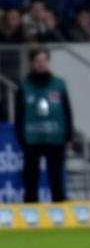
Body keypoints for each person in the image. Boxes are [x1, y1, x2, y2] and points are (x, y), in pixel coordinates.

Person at [14, 48, 73, 202]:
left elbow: (67, 110)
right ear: (32, 63)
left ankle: (59, 207)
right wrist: (20, 137)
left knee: (56, 176)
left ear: (48, 61)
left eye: (44, 60)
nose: (41, 64)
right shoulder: (24, 85)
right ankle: (30, 210)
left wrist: (68, 136)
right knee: (31, 176)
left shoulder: (58, 84)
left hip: (55, 137)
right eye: (37, 60)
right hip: (32, 138)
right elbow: (19, 113)